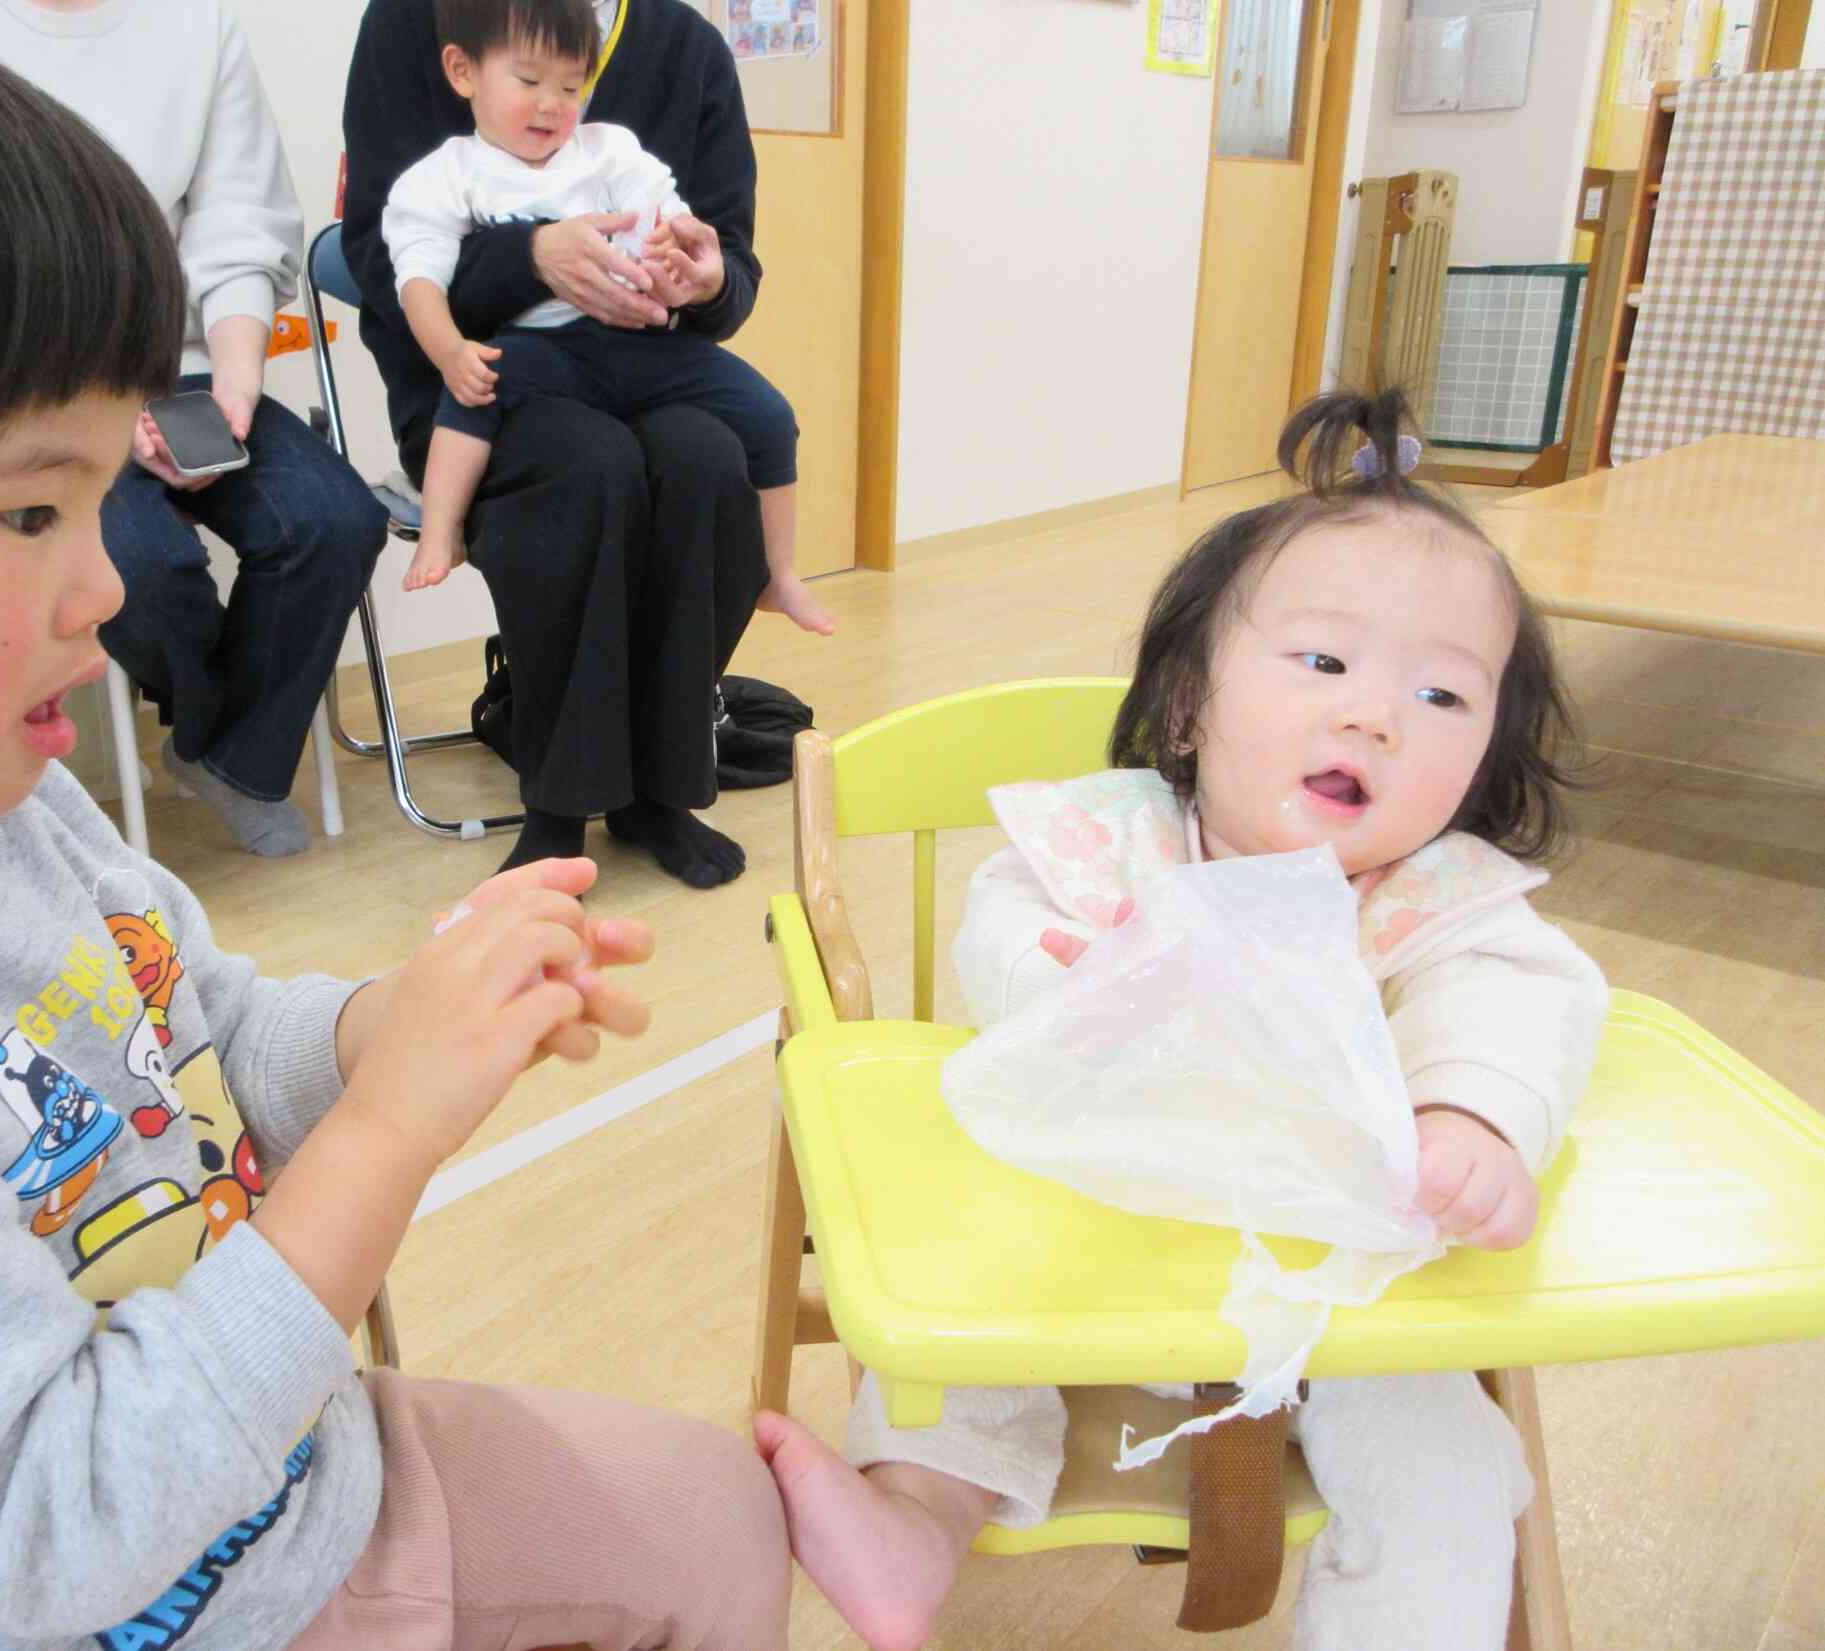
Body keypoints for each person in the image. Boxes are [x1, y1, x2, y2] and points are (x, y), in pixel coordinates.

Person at [0, 7, 790, 1650]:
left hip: (293, 1484)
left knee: (729, 1525)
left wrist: (394, 1025)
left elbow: (210, 1026)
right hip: (120, 1592)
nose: (103, 586)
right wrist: (389, 1132)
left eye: (100, 495)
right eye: (32, 510)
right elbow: (57, 1522)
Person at [751, 391, 1611, 1651]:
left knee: (1450, 1473)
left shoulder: (1433, 903)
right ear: (1190, 706)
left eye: (1440, 696)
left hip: (1337, 1285)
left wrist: (1470, 1113)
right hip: (1079, 1234)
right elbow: (1004, 930)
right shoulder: (1110, 852)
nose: (1373, 714)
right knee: (956, 1359)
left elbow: (1528, 999)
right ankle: (908, 1528)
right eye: (1322, 663)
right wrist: (1073, 993)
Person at [0, 0, 389, 859]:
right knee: (137, 564)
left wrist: (234, 392)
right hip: (24, 384)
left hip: (189, 362)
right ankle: (217, 734)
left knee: (332, 518)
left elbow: (237, 223)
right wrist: (108, 419)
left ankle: (232, 759)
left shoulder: (198, 28)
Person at [344, 0, 775, 887]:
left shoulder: (687, 45)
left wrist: (704, 278)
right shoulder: (411, 19)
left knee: (708, 465)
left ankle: (660, 786)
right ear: (468, 70)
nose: (550, 102)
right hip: (479, 376)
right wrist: (531, 258)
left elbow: (731, 269)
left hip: (641, 367)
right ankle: (557, 803)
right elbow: (373, 258)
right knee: (587, 471)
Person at [385, 0, 834, 640]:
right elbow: (417, 282)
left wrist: (692, 267)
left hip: (638, 346)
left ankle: (779, 573)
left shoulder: (608, 151)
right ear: (464, 72)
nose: (551, 104)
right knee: (473, 392)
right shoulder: (445, 176)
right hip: (538, 349)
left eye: (572, 87)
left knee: (769, 417)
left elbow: (675, 219)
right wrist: (452, 350)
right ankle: (440, 532)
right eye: (529, 81)